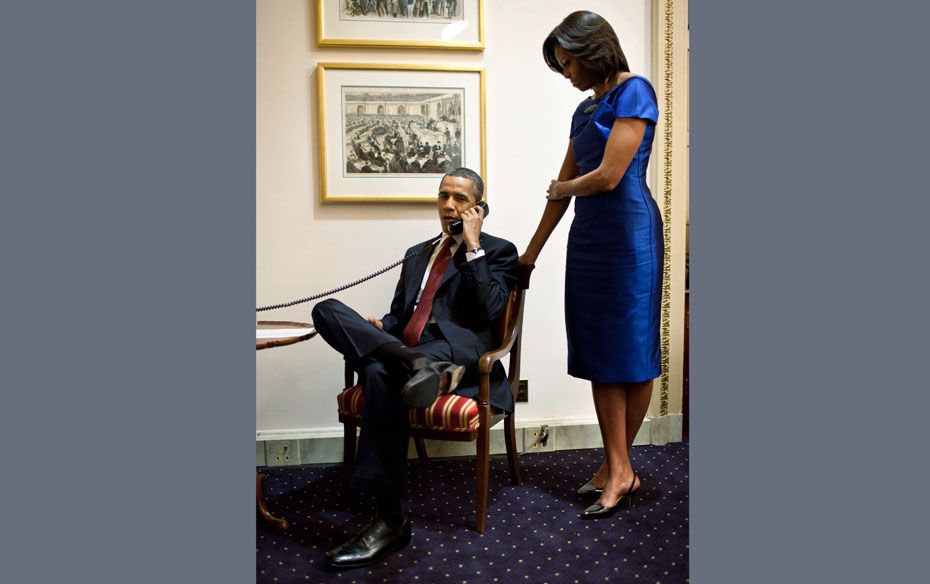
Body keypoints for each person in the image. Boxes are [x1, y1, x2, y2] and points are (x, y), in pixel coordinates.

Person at [312, 167, 518, 569]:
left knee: (376, 375)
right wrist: (381, 329)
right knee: (327, 310)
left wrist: (472, 247)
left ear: (478, 207)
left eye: (459, 198)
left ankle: (389, 519)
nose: (448, 205)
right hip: (415, 351)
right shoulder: (417, 253)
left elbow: (493, 314)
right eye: (443, 196)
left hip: (456, 352)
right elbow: (398, 316)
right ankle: (413, 363)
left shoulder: (498, 250)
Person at [519, 10, 663, 520]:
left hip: (630, 236)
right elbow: (560, 191)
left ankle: (620, 469)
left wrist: (563, 187)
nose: (566, 75)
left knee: (631, 350)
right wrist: (531, 252)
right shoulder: (584, 112)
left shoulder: (635, 92)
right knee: (600, 349)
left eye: (568, 63)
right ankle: (615, 466)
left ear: (592, 49)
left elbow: (606, 176)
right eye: (560, 67)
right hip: (589, 239)